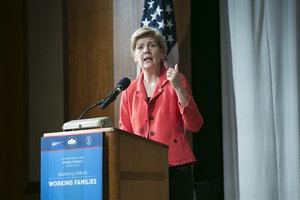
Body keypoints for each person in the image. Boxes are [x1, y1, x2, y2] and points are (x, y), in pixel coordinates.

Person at [119, 27, 204, 200]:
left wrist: (179, 87)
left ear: (162, 52)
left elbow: (195, 125)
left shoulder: (177, 81)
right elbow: (125, 134)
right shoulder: (128, 91)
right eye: (140, 47)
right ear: (134, 56)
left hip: (175, 166)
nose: (146, 51)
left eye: (152, 46)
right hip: (142, 168)